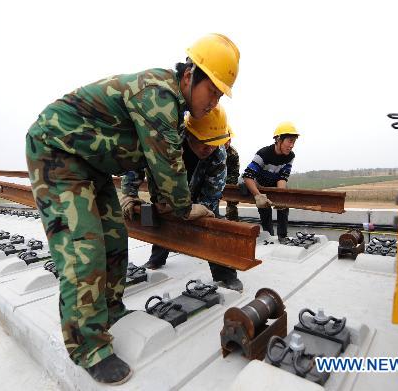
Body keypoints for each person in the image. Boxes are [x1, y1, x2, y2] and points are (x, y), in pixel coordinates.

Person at [25, 34, 240, 385]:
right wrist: (187, 209)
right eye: (212, 91)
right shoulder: (159, 96)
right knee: (84, 249)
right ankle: (87, 347)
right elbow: (170, 170)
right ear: (189, 77)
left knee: (113, 237)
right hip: (57, 151)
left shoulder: (173, 108)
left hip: (89, 163)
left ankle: (109, 311)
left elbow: (158, 173)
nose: (214, 102)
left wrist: (174, 204)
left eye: (219, 95)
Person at [121, 105, 243, 292]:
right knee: (164, 220)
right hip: (165, 194)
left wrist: (200, 208)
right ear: (190, 133)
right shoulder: (167, 140)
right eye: (203, 142)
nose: (208, 148)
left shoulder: (218, 154)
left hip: (199, 195)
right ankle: (157, 259)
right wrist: (129, 193)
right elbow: (140, 159)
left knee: (213, 224)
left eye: (214, 143)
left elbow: (213, 192)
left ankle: (225, 275)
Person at [241, 122, 299, 243]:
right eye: (289, 141)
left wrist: (280, 195)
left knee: (284, 204)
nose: (292, 145)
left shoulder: (290, 156)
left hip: (274, 184)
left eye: (294, 142)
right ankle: (269, 236)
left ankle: (282, 236)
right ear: (279, 139)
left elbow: (282, 177)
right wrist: (258, 195)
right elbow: (248, 176)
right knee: (264, 207)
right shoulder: (263, 154)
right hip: (260, 184)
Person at [224, 133, 240, 221]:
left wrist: (228, 183)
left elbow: (235, 173)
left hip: (228, 179)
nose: (227, 143)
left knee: (233, 198)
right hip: (213, 178)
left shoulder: (233, 153)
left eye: (229, 140)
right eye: (225, 140)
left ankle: (232, 220)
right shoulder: (212, 149)